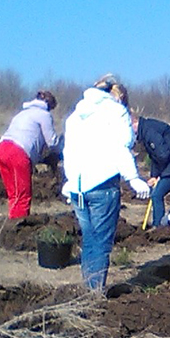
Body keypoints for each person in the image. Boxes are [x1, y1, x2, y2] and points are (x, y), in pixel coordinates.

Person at [62, 75, 150, 291]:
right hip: (103, 185)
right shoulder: (116, 112)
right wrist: (133, 178)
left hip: (79, 187)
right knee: (101, 242)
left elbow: (69, 151)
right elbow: (121, 147)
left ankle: (88, 288)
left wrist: (70, 180)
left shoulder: (75, 115)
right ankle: (95, 292)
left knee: (89, 239)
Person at [0, 91, 60, 218]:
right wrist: (61, 148)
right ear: (48, 105)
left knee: (13, 194)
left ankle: (11, 223)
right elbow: (52, 142)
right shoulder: (44, 115)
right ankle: (19, 227)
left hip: (2, 149)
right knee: (23, 196)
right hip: (18, 152)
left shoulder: (22, 113)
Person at [132, 115, 170, 227]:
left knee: (157, 195)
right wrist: (154, 176)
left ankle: (158, 227)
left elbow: (163, 155)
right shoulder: (146, 129)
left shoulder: (149, 131)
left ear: (133, 123)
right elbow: (154, 156)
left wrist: (161, 175)